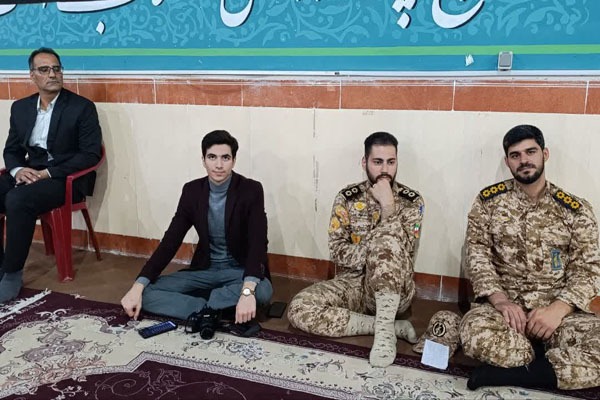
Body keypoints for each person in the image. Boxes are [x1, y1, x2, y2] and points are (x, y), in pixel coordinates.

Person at [460, 124, 600, 391]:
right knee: (474, 332)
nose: (524, 160)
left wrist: (557, 310)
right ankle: (546, 365)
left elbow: (588, 268)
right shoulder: (488, 202)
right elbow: (477, 253)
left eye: (530, 152)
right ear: (507, 162)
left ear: (544, 154)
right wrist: (500, 301)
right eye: (515, 155)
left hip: (557, 313)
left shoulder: (575, 210)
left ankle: (510, 373)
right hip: (504, 312)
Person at [287, 131, 422, 368]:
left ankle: (384, 337)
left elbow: (406, 250)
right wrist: (373, 255)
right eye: (377, 162)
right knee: (299, 308)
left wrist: (388, 206)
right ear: (364, 162)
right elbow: (337, 250)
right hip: (353, 285)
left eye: (391, 162)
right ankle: (387, 327)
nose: (385, 170)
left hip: (395, 290)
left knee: (387, 244)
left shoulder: (412, 201)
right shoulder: (347, 198)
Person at [120, 130, 273, 329]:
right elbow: (171, 241)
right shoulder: (192, 191)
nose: (219, 165)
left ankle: (208, 306)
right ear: (203, 160)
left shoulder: (251, 189)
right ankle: (210, 310)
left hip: (239, 271)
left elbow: (258, 242)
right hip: (205, 271)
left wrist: (246, 291)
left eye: (225, 158)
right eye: (212, 157)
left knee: (263, 291)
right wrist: (137, 286)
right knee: (146, 293)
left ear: (234, 161)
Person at [0, 47, 102, 303]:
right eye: (44, 70)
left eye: (56, 69)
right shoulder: (21, 108)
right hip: (30, 171)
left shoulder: (82, 108)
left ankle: (12, 273)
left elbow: (90, 154)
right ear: (32, 75)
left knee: (17, 199)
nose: (53, 74)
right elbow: (11, 150)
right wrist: (18, 170)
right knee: (8, 190)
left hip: (63, 178)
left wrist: (46, 173)